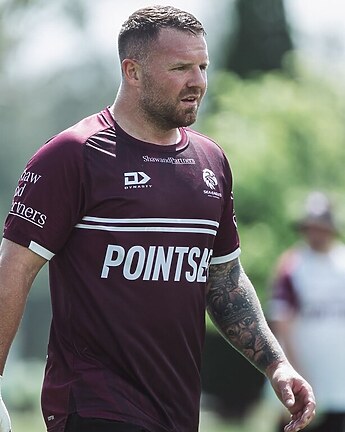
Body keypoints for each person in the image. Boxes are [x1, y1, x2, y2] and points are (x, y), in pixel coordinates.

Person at [0, 5, 315, 432]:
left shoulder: (211, 161)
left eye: (203, 66)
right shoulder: (72, 156)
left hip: (176, 411)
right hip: (94, 405)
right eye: (181, 67)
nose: (199, 82)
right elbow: (13, 271)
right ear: (132, 71)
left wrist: (276, 365)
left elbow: (224, 278)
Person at [269, 191, 345, 432]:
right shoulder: (293, 265)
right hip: (303, 373)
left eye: (320, 227)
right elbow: (282, 322)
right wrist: (294, 369)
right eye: (310, 227)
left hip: (338, 376)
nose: (315, 233)